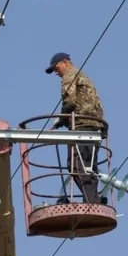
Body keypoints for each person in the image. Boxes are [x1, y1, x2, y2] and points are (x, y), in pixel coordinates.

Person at [45, 52, 107, 205]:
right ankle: (93, 199)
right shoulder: (84, 76)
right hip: (95, 126)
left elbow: (70, 101)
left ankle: (91, 202)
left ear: (65, 62)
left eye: (56, 67)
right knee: (89, 166)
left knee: (76, 166)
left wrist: (61, 118)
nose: (56, 72)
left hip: (82, 126)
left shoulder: (69, 75)